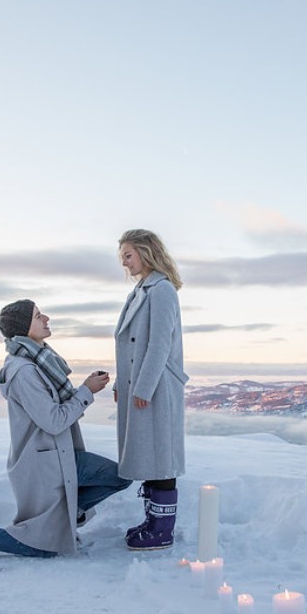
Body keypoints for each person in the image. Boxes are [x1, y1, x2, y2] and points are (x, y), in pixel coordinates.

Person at [0, 299, 131, 558]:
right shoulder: (24, 372)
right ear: (24, 328)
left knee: (121, 476)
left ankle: (64, 519)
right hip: (45, 461)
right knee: (42, 545)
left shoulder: (40, 362)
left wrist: (86, 388)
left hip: (60, 456)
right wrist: (86, 391)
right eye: (38, 316)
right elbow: (53, 421)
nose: (46, 318)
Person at [114, 229, 188, 551]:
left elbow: (159, 344)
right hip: (143, 384)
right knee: (149, 455)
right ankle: (152, 522)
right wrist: (121, 383)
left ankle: (162, 530)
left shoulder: (162, 290)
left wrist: (143, 387)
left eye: (128, 255)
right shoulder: (142, 289)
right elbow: (131, 347)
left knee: (160, 456)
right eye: (123, 257)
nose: (125, 263)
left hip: (157, 387)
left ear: (146, 252)